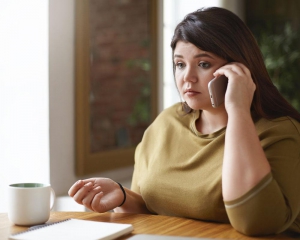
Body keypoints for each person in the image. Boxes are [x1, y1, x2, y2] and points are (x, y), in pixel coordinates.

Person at [68, 7, 300, 236]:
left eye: (203, 64)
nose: (187, 77)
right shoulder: (167, 122)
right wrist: (124, 197)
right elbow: (154, 215)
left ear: (239, 69)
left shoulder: (280, 132)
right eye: (180, 64)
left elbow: (256, 223)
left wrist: (238, 110)